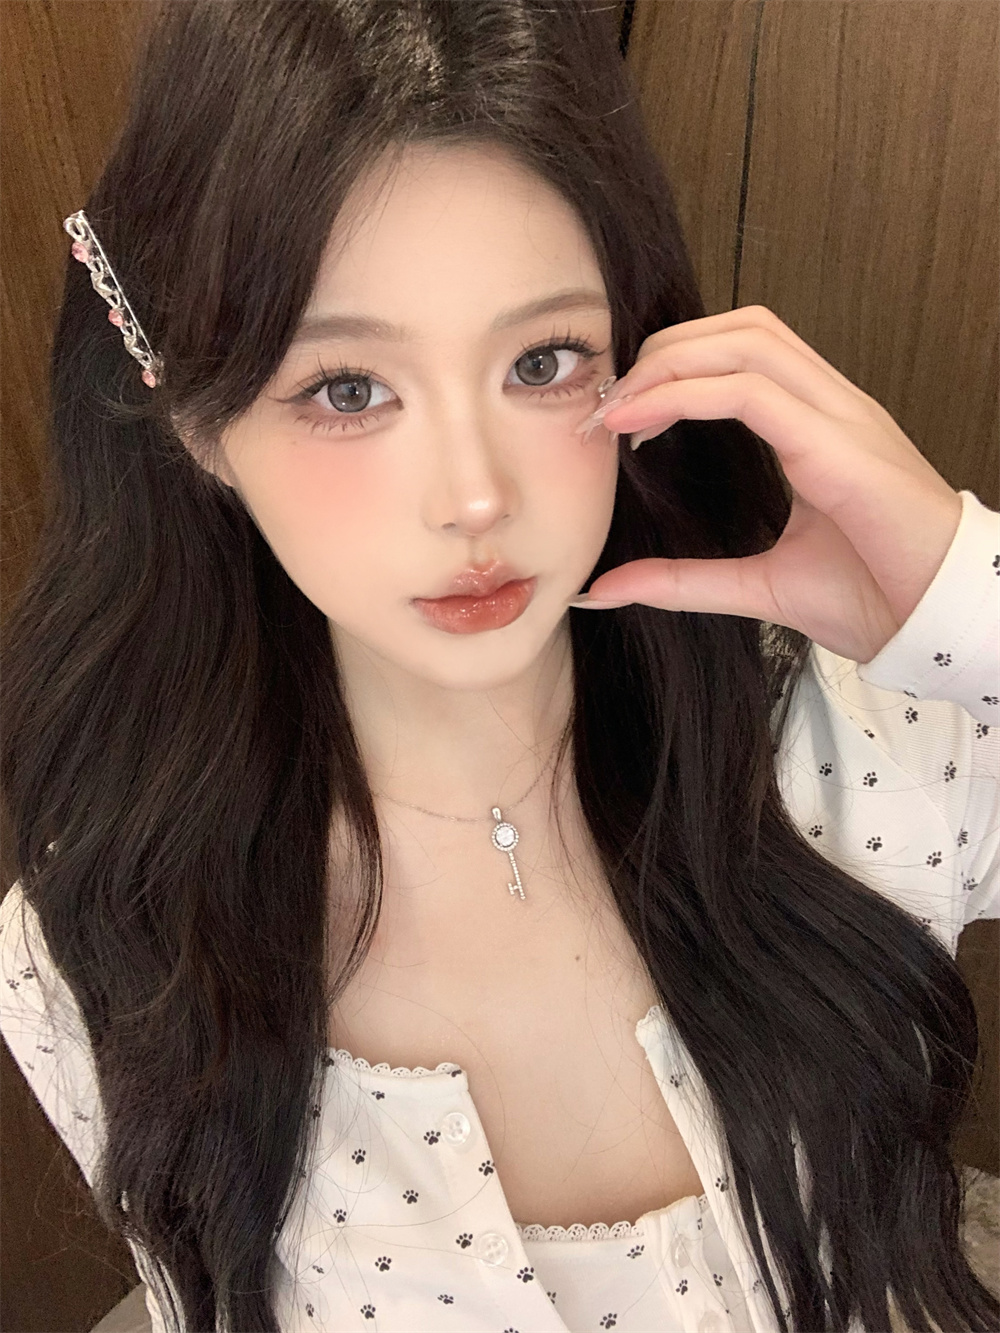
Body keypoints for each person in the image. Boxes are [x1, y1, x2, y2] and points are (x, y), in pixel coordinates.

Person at [1, 2, 997, 1330]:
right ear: (197, 424)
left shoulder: (861, 741)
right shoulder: (105, 939)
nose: (474, 496)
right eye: (348, 389)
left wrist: (963, 591)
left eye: (542, 361)